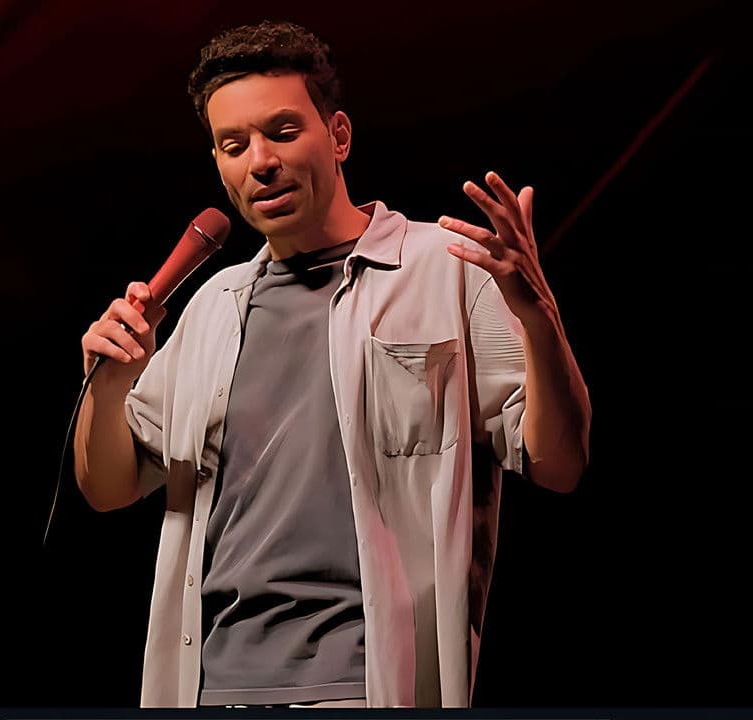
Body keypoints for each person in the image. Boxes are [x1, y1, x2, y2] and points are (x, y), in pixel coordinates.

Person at [73, 20, 591, 709]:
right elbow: (108, 488)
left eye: (283, 132)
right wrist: (109, 385)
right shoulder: (211, 307)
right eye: (234, 145)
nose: (260, 161)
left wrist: (539, 317)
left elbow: (560, 463)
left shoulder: (447, 270)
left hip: (365, 685)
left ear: (338, 135)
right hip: (206, 687)